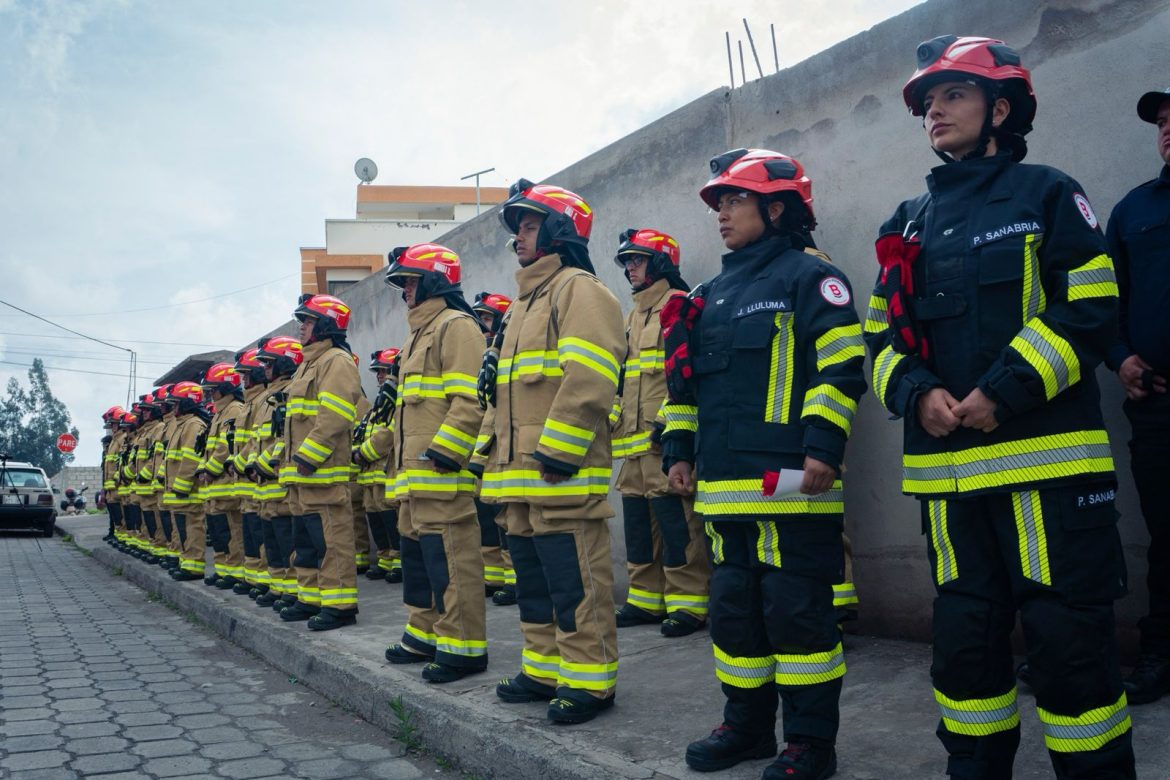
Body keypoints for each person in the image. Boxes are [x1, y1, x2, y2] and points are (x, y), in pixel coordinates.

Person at [865, 36, 1134, 779]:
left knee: (1069, 649)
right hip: (950, 490)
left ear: (1001, 108)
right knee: (965, 651)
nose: (934, 112)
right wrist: (916, 395)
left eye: (953, 95)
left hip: (1046, 482)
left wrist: (1001, 392)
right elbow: (876, 339)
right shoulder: (907, 222)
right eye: (928, 102)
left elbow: (1092, 305)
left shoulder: (1046, 192)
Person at [660, 149, 864, 779]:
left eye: (734, 200)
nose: (721, 213)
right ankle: (746, 729)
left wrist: (824, 448)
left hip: (790, 487)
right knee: (734, 616)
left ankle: (809, 743)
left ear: (777, 208)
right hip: (724, 492)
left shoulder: (809, 277)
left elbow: (841, 367)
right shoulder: (708, 295)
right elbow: (685, 390)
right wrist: (678, 453)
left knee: (797, 618)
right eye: (719, 203)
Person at [478, 179, 624, 724]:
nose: (518, 236)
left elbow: (591, 377)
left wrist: (558, 456)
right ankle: (544, 669)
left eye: (530, 225)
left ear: (559, 230)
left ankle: (592, 682)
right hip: (521, 482)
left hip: (561, 477)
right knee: (535, 587)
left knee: (575, 583)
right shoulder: (523, 305)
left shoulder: (578, 290)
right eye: (517, 227)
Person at [382, 243, 489, 682]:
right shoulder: (417, 335)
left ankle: (463, 646)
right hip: (415, 477)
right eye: (403, 282)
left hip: (441, 471)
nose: (405, 290)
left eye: (410, 280)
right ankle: (424, 632)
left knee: (451, 558)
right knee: (419, 559)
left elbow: (471, 400)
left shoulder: (457, 327)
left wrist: (446, 454)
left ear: (434, 279)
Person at [611, 228, 711, 637]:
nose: (630, 268)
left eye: (637, 260)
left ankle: (688, 603)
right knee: (637, 527)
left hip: (663, 440)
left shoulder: (678, 306)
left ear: (661, 262)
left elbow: (687, 377)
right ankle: (645, 599)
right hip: (633, 449)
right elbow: (622, 381)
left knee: (677, 525)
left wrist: (672, 432)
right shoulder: (632, 316)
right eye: (627, 262)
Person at [1105, 84, 1170, 705]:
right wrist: (1120, 357)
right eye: (1163, 121)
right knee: (1165, 535)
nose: (1168, 129)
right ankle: (1161, 652)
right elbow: (1105, 305)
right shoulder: (1134, 211)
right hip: (1158, 406)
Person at [278, 294, 364, 631]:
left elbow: (336, 415)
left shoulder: (336, 361)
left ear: (327, 325)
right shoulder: (308, 364)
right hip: (303, 476)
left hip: (322, 473)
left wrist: (308, 457)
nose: (301, 327)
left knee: (333, 541)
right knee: (308, 542)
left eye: (309, 321)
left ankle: (340, 605)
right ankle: (311, 597)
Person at [470, 291, 517, 606]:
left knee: (510, 518)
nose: (482, 326)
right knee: (490, 521)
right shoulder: (482, 356)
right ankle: (494, 577)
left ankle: (514, 580)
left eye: (487, 319)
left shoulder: (503, 355)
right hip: (485, 453)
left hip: (505, 450)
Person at [251, 335, 304, 609]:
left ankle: (294, 590)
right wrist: (252, 463)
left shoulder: (292, 390)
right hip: (264, 487)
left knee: (287, 541)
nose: (265, 368)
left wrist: (268, 462)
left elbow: (287, 436)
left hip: (279, 481)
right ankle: (278, 586)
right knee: (271, 541)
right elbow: (256, 438)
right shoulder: (266, 398)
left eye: (270, 363)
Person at [197, 363, 247, 590]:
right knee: (219, 534)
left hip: (225, 485)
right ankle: (224, 569)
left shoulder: (234, 409)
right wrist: (202, 467)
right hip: (214, 488)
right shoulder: (219, 413)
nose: (210, 394)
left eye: (213, 389)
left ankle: (235, 573)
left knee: (233, 533)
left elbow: (226, 447)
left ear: (226, 387)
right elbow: (209, 448)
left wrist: (210, 468)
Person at [355, 348, 403, 584]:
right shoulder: (379, 404)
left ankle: (398, 561)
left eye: (385, 371)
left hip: (384, 471)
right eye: (378, 372)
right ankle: (384, 560)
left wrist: (363, 453)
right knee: (376, 519)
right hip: (369, 475)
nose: (380, 376)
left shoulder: (395, 401)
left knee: (390, 519)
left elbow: (387, 435)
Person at [162, 381, 211, 582]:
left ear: (187, 403)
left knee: (192, 528)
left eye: (176, 404)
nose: (173, 408)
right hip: (179, 490)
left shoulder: (193, 425)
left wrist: (181, 486)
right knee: (183, 529)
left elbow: (191, 458)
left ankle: (194, 567)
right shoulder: (182, 425)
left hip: (188, 490)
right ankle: (186, 562)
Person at [233, 347, 271, 598]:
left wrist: (245, 463)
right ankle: (253, 577)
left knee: (262, 534)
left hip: (257, 477)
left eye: (247, 375)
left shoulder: (262, 401)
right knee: (250, 533)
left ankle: (265, 581)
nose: (243, 381)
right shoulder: (249, 404)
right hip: (247, 478)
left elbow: (262, 440)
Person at [101, 405, 126, 544]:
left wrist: (116, 480)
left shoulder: (122, 439)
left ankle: (120, 537)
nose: (112, 427)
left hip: (118, 486)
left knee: (121, 516)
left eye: (114, 424)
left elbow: (120, 463)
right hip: (111, 488)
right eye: (111, 424)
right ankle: (117, 535)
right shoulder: (114, 440)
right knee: (116, 516)